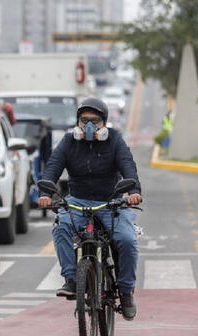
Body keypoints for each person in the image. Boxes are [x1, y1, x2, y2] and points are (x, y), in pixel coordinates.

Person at [38, 97, 142, 321]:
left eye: (94, 121)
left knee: (127, 239)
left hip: (111, 201)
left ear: (104, 123)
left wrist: (133, 191)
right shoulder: (68, 141)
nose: (89, 126)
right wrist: (45, 193)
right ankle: (72, 279)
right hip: (77, 201)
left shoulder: (114, 140)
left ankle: (125, 292)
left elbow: (128, 166)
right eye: (84, 120)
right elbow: (53, 166)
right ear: (78, 122)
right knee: (60, 229)